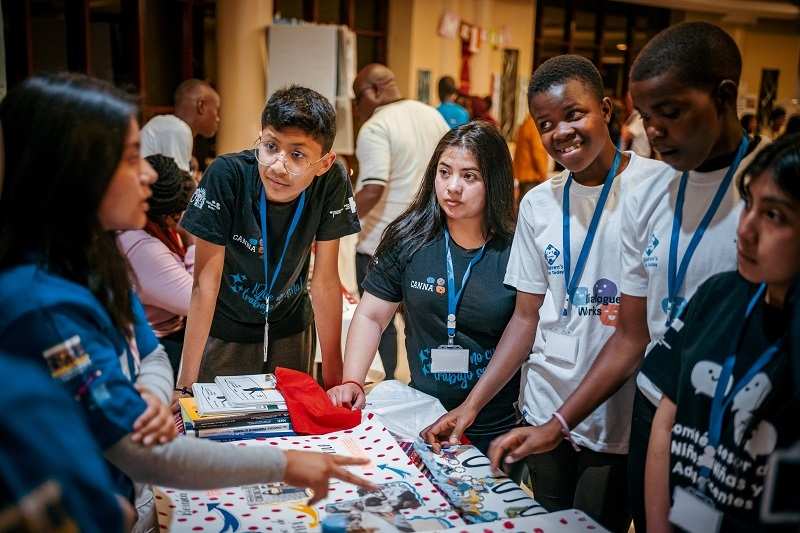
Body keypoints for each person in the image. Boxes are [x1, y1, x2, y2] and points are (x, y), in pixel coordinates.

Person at [0, 73, 373, 532]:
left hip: (121, 494)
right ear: (76, 171)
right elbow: (142, 452)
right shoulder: (43, 305)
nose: (152, 174)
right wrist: (280, 462)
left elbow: (151, 352)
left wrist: (153, 395)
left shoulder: (101, 262)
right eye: (131, 157)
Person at [483, 22, 765, 533]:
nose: (656, 129)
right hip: (651, 405)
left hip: (733, 410)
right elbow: (632, 331)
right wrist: (552, 421)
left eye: (670, 113)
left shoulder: (747, 188)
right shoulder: (660, 196)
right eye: (649, 116)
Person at [423, 55, 673, 532]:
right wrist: (471, 407)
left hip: (612, 417)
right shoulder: (539, 203)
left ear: (605, 108)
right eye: (546, 123)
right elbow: (526, 318)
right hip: (541, 408)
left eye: (574, 114)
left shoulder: (657, 188)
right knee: (550, 520)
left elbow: (639, 330)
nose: (561, 131)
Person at [328, 121, 519, 454]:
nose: (452, 187)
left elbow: (525, 333)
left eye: (469, 176)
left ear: (495, 182)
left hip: (494, 422)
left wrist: (473, 408)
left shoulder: (516, 249)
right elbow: (373, 315)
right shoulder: (409, 237)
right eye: (444, 172)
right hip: (422, 412)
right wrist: (353, 380)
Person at [643, 134, 800, 533]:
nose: (745, 230)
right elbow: (666, 422)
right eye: (749, 204)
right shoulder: (718, 294)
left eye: (775, 216)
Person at [176, 85, 361, 391]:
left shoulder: (332, 181)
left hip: (291, 329)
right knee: (223, 431)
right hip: (226, 331)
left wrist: (334, 381)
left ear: (324, 163)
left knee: (293, 432)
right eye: (271, 146)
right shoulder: (227, 176)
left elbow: (326, 280)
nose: (278, 165)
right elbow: (204, 283)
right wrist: (185, 384)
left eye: (297, 154)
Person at [353, 64, 449, 380]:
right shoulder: (432, 115)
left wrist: (339, 220)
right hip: (429, 238)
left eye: (357, 99)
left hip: (380, 243)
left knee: (379, 323)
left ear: (371, 92)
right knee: (424, 321)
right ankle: (427, 385)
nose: (357, 109)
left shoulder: (375, 127)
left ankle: (388, 387)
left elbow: (373, 188)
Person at [117, 154, 196, 378]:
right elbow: (194, 301)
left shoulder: (152, 232)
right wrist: (193, 241)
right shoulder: (142, 247)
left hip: (161, 336)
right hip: (159, 343)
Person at [140, 79, 220, 172]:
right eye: (216, 111)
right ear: (201, 106)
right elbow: (179, 184)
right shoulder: (177, 129)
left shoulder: (169, 126)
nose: (218, 119)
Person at [512, 115, 549, 201]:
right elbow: (538, 151)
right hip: (532, 176)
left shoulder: (527, 122)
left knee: (524, 205)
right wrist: (544, 175)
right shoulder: (534, 125)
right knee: (529, 208)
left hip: (525, 175)